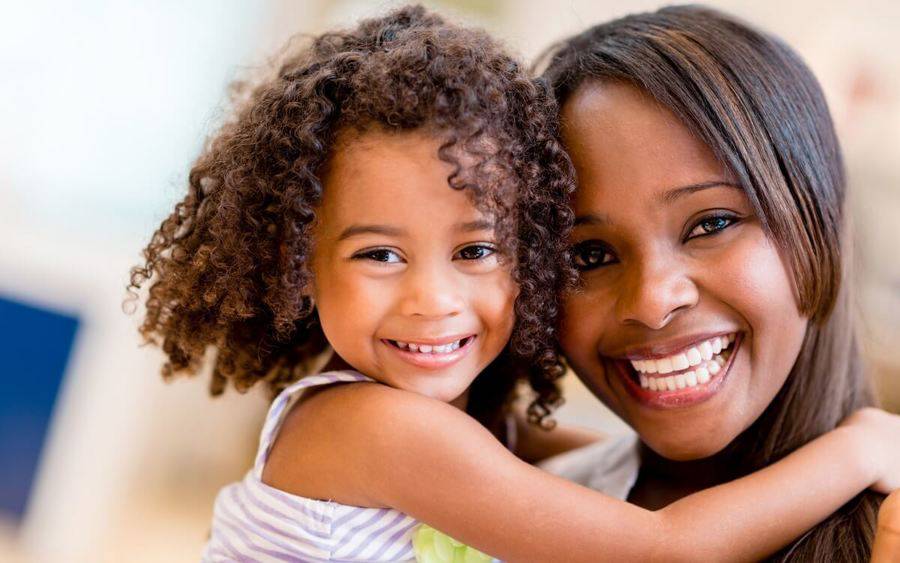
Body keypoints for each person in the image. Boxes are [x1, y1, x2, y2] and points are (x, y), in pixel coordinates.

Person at [128, 5, 900, 562]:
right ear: (295, 263)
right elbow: (665, 547)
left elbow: (572, 460)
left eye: (476, 250)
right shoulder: (373, 427)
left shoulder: (471, 435)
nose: (432, 299)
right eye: (379, 256)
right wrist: (861, 447)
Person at [539, 5, 900, 561]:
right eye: (589, 255)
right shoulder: (520, 520)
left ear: (820, 219)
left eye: (711, 224)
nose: (653, 302)